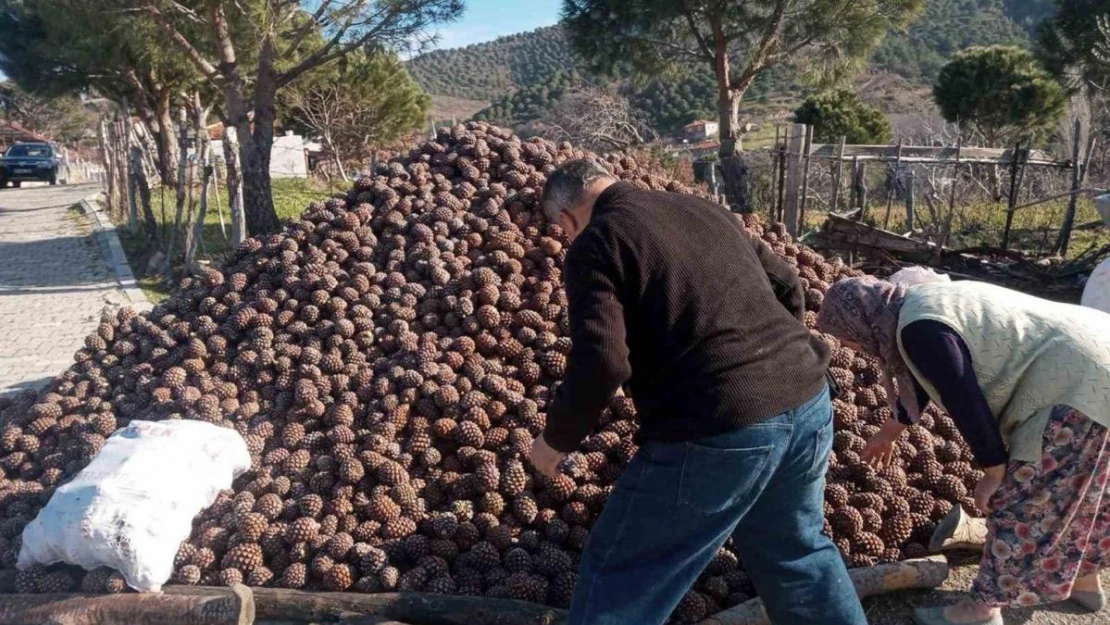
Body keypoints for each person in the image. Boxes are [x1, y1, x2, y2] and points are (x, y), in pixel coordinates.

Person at [528, 158, 867, 625]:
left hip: (719, 426)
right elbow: (788, 283)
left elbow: (604, 361)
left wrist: (555, 441)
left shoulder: (596, 243)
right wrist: (771, 361)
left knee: (621, 575)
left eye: (562, 229)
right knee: (795, 552)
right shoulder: (700, 208)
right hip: (808, 400)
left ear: (566, 217)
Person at [817, 276, 1110, 625]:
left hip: (1076, 389)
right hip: (1097, 360)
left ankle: (981, 611)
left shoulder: (919, 332)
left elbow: (966, 402)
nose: (849, 347)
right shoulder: (915, 305)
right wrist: (889, 433)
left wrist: (994, 473)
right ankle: (1083, 578)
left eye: (846, 336)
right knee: (1087, 492)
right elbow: (929, 378)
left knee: (1018, 503)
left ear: (860, 318)